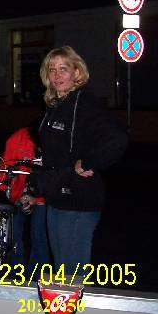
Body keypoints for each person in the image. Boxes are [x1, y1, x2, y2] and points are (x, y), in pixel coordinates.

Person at [29, 46, 127, 278]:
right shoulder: (56, 105)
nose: (57, 75)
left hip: (78, 199)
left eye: (63, 69)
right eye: (52, 69)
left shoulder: (84, 102)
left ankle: (76, 304)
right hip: (57, 196)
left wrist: (88, 162)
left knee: (73, 274)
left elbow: (117, 139)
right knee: (62, 271)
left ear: (76, 72)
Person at [0, 123, 49, 276]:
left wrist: (37, 198)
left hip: (45, 194)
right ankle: (15, 276)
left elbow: (57, 176)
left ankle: (38, 279)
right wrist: (0, 194)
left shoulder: (57, 138)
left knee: (40, 236)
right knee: (13, 236)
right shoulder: (19, 138)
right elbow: (4, 167)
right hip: (17, 191)